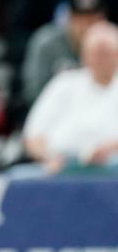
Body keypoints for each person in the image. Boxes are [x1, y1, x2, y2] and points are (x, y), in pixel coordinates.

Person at [19, 21, 118, 175]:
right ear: (84, 55)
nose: (100, 59)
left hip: (112, 168)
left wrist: (110, 148)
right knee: (21, 176)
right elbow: (32, 137)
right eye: (95, 53)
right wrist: (48, 157)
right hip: (61, 166)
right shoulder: (64, 83)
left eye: (106, 53)